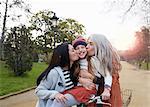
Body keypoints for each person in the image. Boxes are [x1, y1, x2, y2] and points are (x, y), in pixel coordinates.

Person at [82, 34, 122, 107]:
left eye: (91, 44)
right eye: (87, 43)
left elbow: (109, 75)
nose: (87, 47)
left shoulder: (110, 61)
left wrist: (107, 90)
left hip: (109, 96)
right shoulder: (91, 60)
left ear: (100, 46)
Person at [35, 43, 80, 107]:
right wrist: (55, 94)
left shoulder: (74, 71)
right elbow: (39, 91)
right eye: (73, 50)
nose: (76, 52)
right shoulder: (54, 73)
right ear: (65, 54)